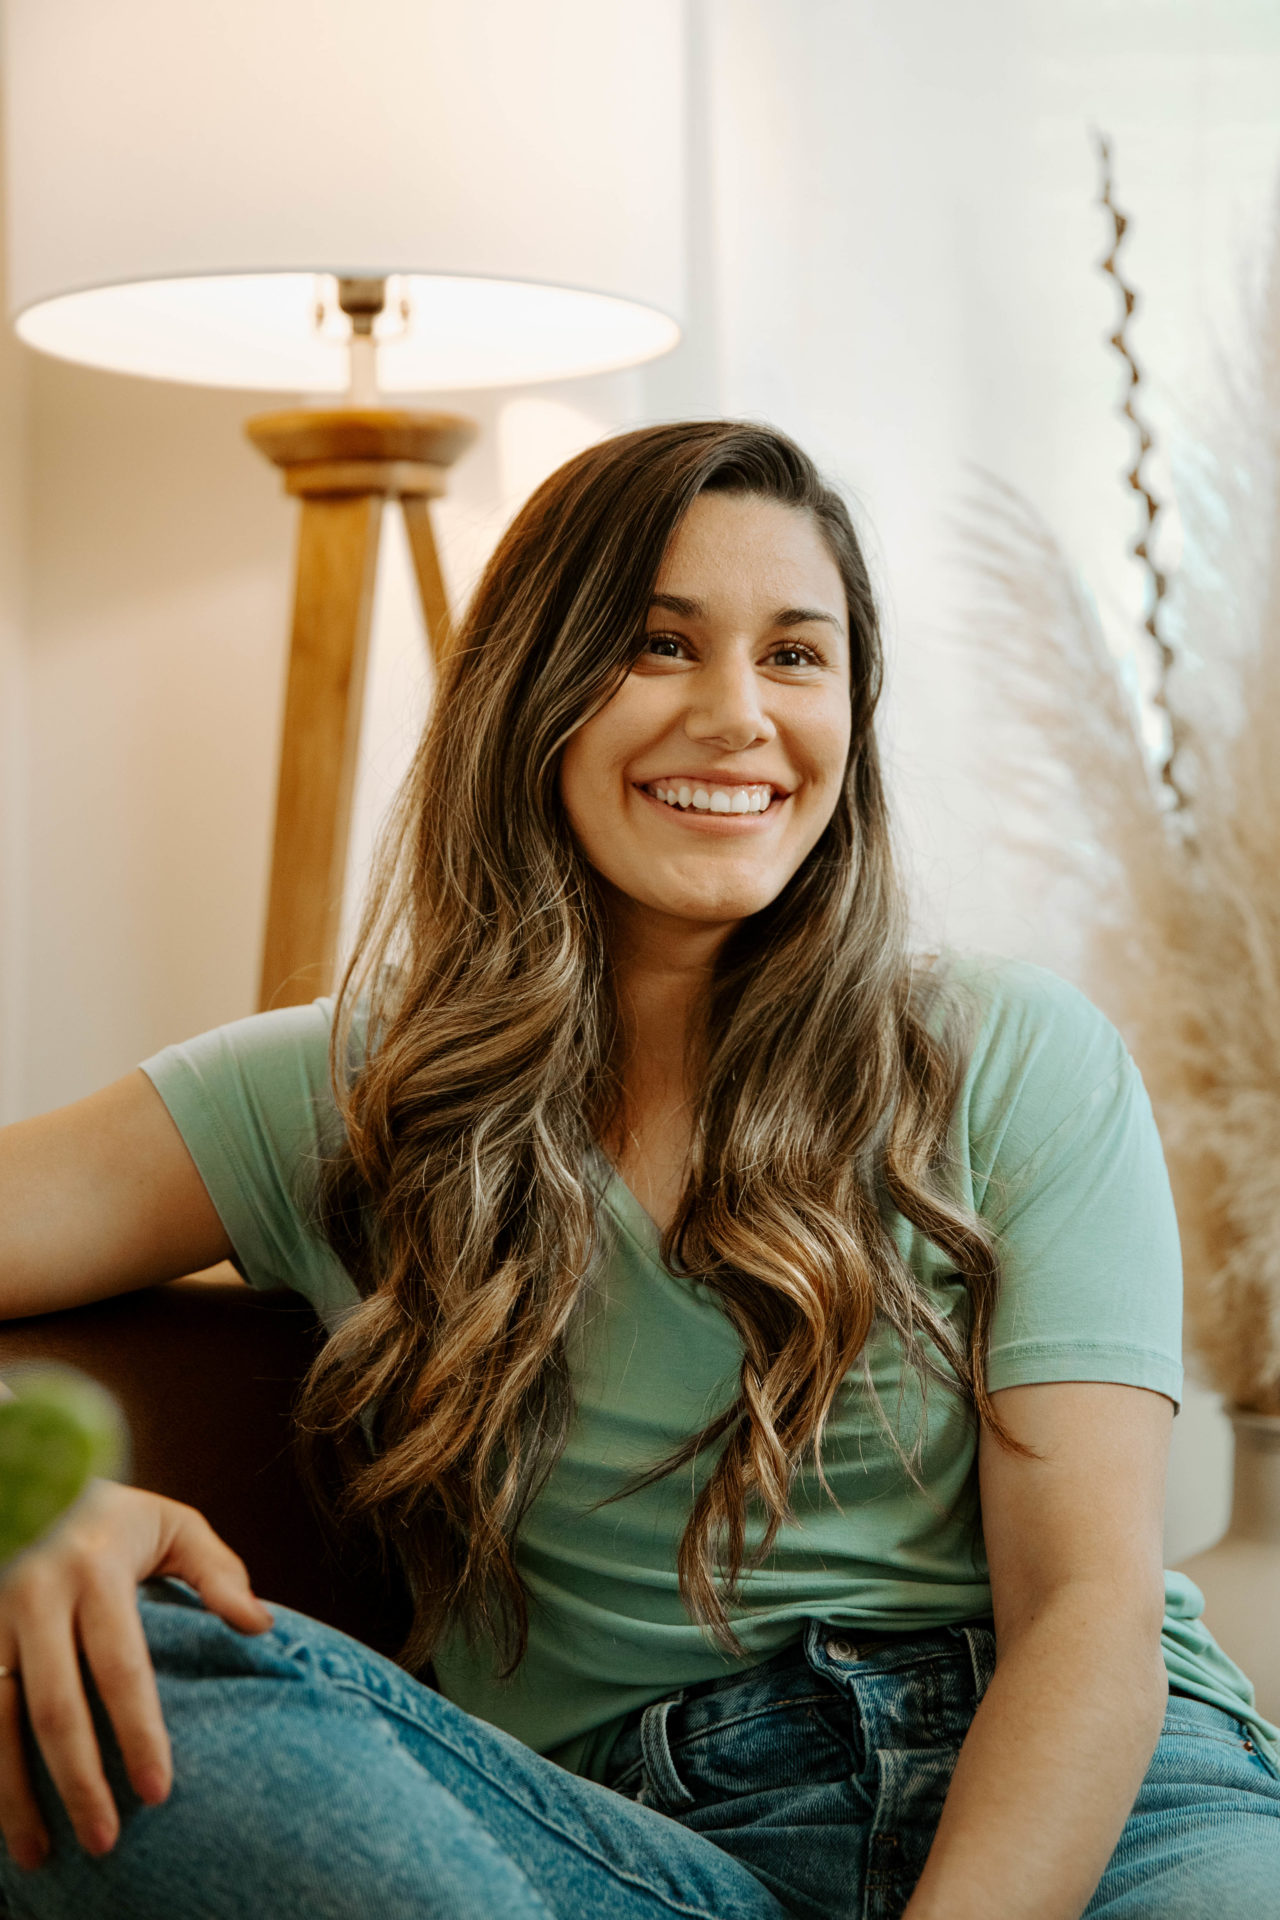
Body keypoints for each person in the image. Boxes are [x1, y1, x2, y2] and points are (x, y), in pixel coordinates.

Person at [0, 420, 1276, 1920]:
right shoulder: (344, 1090)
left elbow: (1086, 1613)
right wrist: (30, 1489)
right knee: (123, 1676)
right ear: (530, 688)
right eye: (660, 645)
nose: (739, 715)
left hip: (1104, 1824)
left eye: (798, 657)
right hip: (617, 1857)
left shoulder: (1015, 1054)